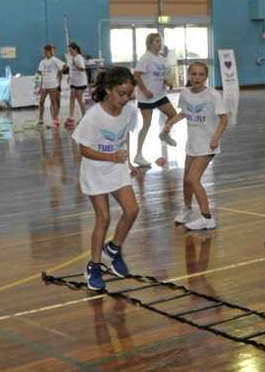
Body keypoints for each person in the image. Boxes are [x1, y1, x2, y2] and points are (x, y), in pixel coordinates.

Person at [72, 66, 141, 292]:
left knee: (132, 210)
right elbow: (84, 150)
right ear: (109, 90)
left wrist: (128, 161)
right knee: (103, 218)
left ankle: (113, 248)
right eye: (121, 94)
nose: (125, 99)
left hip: (116, 167)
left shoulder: (130, 111)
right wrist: (112, 156)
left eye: (128, 94)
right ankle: (94, 266)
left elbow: (127, 135)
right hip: (95, 169)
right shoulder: (93, 117)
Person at [163, 61, 229, 232]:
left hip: (208, 145)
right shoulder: (185, 93)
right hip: (192, 144)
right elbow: (184, 113)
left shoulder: (213, 95)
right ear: (189, 75)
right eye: (193, 74)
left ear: (206, 77)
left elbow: (224, 119)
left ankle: (207, 218)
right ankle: (187, 209)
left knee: (193, 179)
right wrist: (170, 123)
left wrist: (215, 137)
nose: (197, 77)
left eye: (201, 74)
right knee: (186, 181)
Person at [134, 32, 179, 166]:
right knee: (146, 125)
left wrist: (167, 83)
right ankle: (138, 155)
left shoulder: (160, 58)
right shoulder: (146, 58)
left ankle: (164, 134)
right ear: (150, 43)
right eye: (157, 41)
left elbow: (160, 76)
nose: (160, 44)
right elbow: (136, 75)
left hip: (159, 95)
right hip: (146, 97)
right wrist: (145, 90)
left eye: (161, 41)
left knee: (174, 115)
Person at [36, 44, 66, 129]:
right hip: (45, 85)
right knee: (41, 102)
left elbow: (64, 66)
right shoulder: (42, 61)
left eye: (45, 51)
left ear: (49, 51)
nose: (44, 53)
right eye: (43, 52)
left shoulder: (55, 60)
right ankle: (41, 119)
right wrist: (40, 86)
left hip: (53, 85)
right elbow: (40, 73)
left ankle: (55, 120)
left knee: (54, 102)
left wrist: (58, 72)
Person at [64, 42, 89, 123]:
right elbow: (71, 68)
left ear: (75, 50)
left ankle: (84, 116)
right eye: (69, 51)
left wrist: (75, 65)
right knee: (71, 97)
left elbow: (82, 69)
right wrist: (69, 76)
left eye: (71, 50)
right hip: (73, 81)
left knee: (79, 98)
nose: (70, 52)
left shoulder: (79, 57)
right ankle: (71, 116)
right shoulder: (70, 58)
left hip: (81, 82)